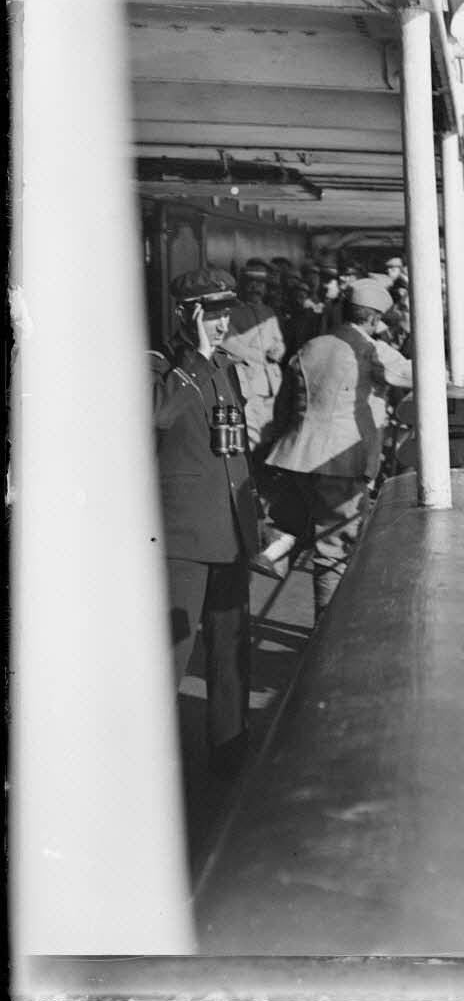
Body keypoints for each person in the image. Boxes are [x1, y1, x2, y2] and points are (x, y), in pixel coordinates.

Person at [149, 267, 261, 776]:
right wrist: (193, 354)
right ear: (185, 315)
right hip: (182, 535)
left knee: (231, 648)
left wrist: (254, 513)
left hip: (230, 529)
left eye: (224, 314)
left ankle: (230, 751)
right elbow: (157, 416)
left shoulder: (224, 366)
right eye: (210, 315)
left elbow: (234, 445)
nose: (221, 325)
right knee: (171, 650)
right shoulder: (160, 364)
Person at [262, 278, 413, 618]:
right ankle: (325, 631)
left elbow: (283, 406)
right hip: (340, 462)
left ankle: (277, 548)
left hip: (296, 456)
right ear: (373, 318)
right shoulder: (370, 349)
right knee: (336, 548)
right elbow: (418, 375)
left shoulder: (311, 346)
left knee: (308, 527)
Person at [221, 258, 286, 463]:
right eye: (251, 283)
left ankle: (261, 471)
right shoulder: (232, 312)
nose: (256, 288)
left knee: (268, 431)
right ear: (243, 285)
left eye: (261, 284)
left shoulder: (269, 313)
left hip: (270, 383)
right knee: (250, 433)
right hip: (248, 381)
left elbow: (279, 342)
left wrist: (277, 351)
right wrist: (260, 356)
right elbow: (230, 344)